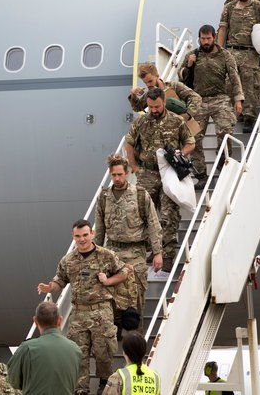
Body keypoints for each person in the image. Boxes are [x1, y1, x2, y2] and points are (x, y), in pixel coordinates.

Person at [37, 219, 129, 395]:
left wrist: (108, 281)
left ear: (92, 234)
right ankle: (81, 390)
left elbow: (125, 271)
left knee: (104, 353)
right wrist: (50, 288)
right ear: (73, 237)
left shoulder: (106, 255)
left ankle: (104, 384)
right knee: (78, 355)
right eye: (78, 236)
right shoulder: (68, 260)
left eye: (85, 235)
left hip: (101, 312)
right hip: (79, 314)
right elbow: (60, 280)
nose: (82, 239)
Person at [124, 87, 195, 273]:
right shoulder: (141, 122)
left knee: (168, 214)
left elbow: (190, 141)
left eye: (156, 106)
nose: (153, 110)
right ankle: (150, 250)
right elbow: (129, 143)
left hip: (169, 172)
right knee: (143, 213)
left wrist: (182, 152)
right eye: (150, 107)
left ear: (163, 102)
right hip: (147, 173)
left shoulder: (176, 121)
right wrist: (135, 167)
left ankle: (168, 255)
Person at [93, 154, 162, 332]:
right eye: (114, 175)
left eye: (120, 175)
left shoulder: (140, 195)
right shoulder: (104, 197)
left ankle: (136, 338)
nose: (117, 178)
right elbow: (99, 229)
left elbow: (153, 224)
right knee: (112, 297)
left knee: (137, 297)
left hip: (136, 254)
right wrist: (95, 256)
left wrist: (158, 252)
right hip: (112, 253)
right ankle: (115, 336)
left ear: (127, 173)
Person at [180, 25, 244, 188]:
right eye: (203, 39)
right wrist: (189, 65)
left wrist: (238, 99)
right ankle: (201, 175)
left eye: (208, 39)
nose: (206, 42)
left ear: (214, 37)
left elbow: (234, 78)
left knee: (225, 131)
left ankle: (223, 161)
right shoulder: (193, 54)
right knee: (193, 138)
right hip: (198, 100)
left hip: (220, 98)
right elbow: (181, 78)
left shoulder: (225, 55)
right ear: (199, 38)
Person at [217, 0, 260, 134]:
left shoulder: (258, 7)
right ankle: (237, 114)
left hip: (250, 53)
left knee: (249, 85)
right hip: (232, 51)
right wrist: (219, 51)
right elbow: (222, 30)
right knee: (230, 84)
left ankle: (249, 117)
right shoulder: (229, 8)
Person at [7, 301, 82, 395]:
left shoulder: (27, 348)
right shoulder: (75, 349)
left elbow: (13, 381)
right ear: (60, 320)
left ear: (35, 321)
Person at [128, 62, 201, 119]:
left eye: (150, 81)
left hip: (182, 126)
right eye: (145, 83)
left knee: (169, 102)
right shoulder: (150, 94)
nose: (148, 85)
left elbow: (196, 97)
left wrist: (188, 114)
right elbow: (138, 108)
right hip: (165, 131)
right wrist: (133, 94)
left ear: (157, 76)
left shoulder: (174, 86)